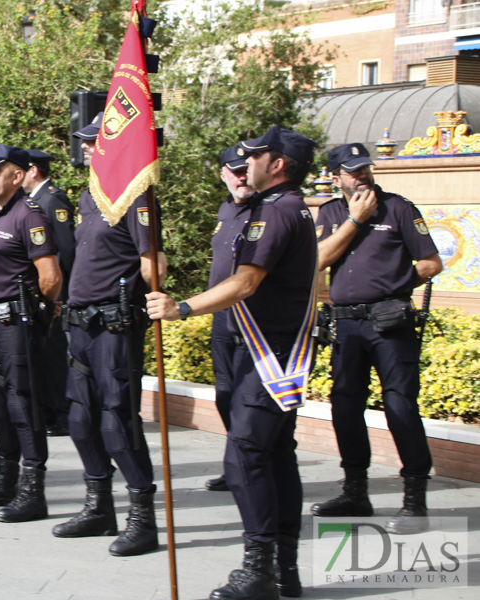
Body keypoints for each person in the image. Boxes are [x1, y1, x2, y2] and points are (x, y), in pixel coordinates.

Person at [147, 125, 317, 600]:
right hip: (261, 349)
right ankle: (284, 569)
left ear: (277, 164)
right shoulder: (269, 209)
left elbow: (245, 283)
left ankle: (259, 569)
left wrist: (180, 308)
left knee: (246, 456)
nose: (248, 164)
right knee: (276, 455)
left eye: (257, 157)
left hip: (269, 354)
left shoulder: (278, 213)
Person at [310, 143, 443, 537]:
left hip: (390, 324)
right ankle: (355, 492)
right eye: (353, 171)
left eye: (366, 168)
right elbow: (315, 260)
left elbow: (431, 263)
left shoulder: (399, 208)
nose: (363, 175)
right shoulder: (331, 212)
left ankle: (414, 502)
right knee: (345, 407)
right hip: (347, 326)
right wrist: (354, 220)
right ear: (336, 177)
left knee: (400, 407)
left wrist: (394, 289)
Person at [52, 117, 165, 558]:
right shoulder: (88, 197)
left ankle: (143, 517)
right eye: (82, 142)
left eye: (92, 143)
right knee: (80, 420)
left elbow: (151, 261)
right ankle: (99, 507)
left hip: (115, 325)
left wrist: (157, 288)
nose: (84, 148)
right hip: (81, 322)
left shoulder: (135, 196)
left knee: (117, 420)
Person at [0, 145, 61, 523]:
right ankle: (3, 481)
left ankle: (33, 490)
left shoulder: (29, 216)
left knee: (23, 404)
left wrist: (34, 317)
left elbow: (50, 278)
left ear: (17, 176)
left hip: (15, 324)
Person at [204, 145, 257, 493]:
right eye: (234, 171)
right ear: (222, 173)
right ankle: (237, 461)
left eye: (246, 170)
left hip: (253, 317)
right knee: (225, 394)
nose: (242, 177)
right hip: (223, 316)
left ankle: (254, 462)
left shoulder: (267, 210)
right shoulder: (226, 209)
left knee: (248, 397)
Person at [24, 149, 74, 436]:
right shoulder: (33, 200)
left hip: (55, 294)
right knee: (43, 355)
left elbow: (65, 250)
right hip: (40, 292)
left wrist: (61, 294)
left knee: (55, 356)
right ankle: (48, 411)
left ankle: (63, 414)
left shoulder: (53, 199)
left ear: (33, 170)